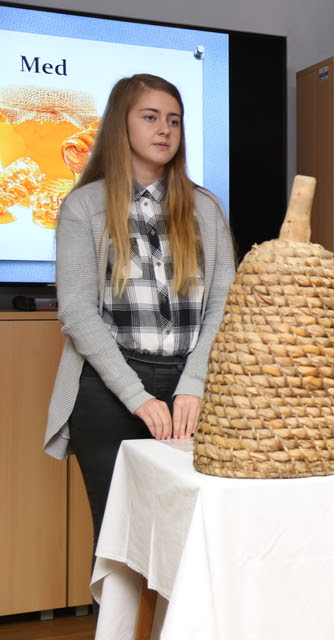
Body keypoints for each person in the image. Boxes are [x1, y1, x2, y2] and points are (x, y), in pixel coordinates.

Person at [43, 74, 235, 551]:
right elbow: (77, 313)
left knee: (193, 542)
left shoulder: (206, 208)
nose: (164, 129)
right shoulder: (83, 207)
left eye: (174, 120)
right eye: (150, 117)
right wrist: (138, 398)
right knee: (120, 544)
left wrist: (193, 385)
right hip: (109, 392)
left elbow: (224, 304)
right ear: (120, 124)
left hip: (192, 388)